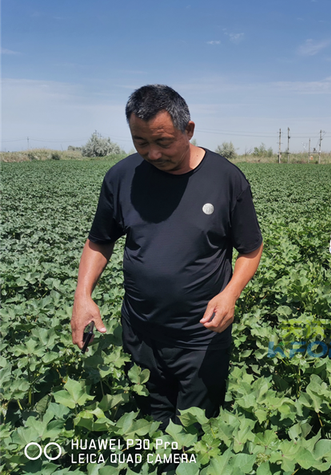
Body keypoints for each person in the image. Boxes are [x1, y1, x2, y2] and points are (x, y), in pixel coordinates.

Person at [71, 84, 263, 429]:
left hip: (201, 337)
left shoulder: (226, 179)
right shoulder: (121, 177)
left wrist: (230, 293)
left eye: (163, 141)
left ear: (188, 129)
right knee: (147, 425)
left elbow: (250, 249)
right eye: (141, 142)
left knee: (193, 433)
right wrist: (82, 296)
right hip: (140, 333)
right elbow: (99, 241)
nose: (153, 154)